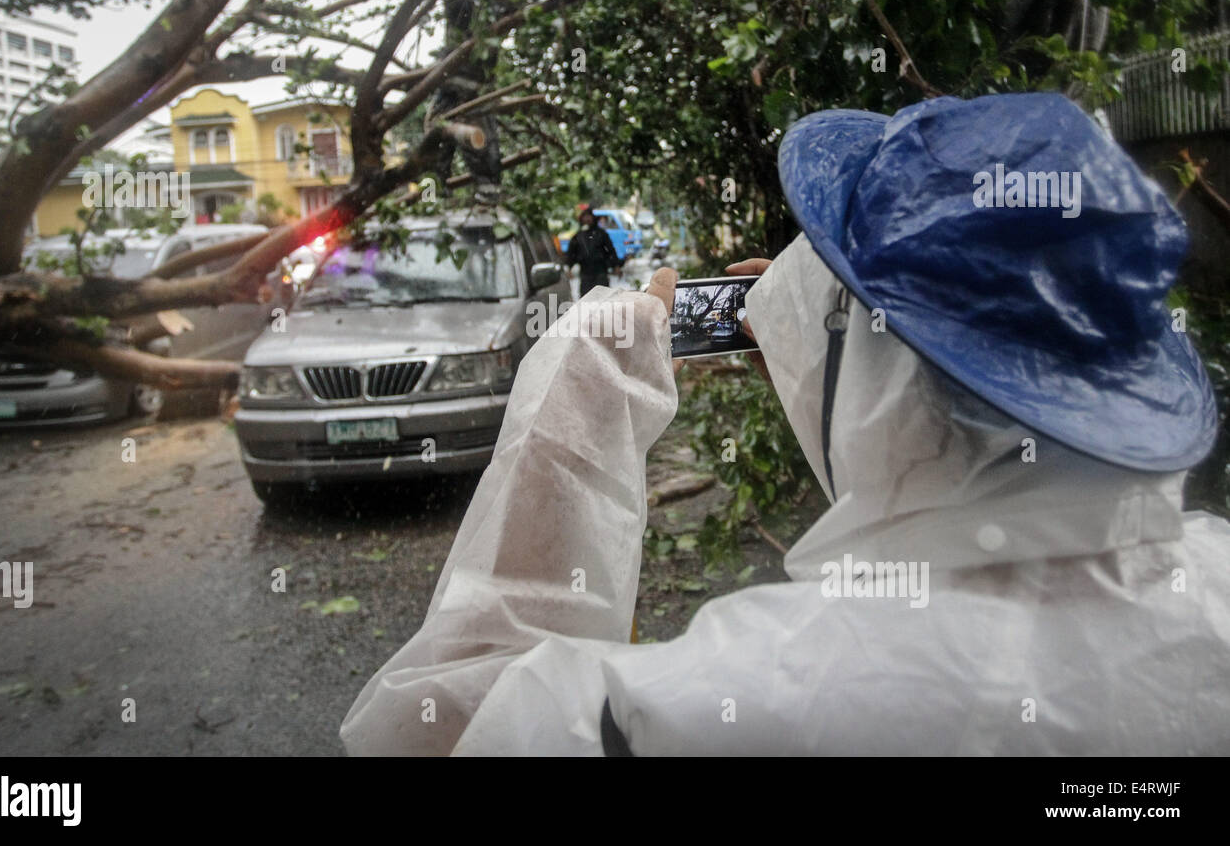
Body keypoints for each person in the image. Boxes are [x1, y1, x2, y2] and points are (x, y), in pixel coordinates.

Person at [340, 93, 1229, 755]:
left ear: (879, 376)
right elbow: (957, 491)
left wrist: (578, 399)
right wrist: (828, 375)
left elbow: (453, 728)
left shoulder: (745, 702)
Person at [564, 205, 621, 296]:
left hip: (601, 272)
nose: (587, 219)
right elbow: (571, 254)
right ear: (581, 219)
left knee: (603, 299)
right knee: (586, 302)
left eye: (588, 216)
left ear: (593, 218)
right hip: (585, 274)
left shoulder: (602, 234)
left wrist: (616, 266)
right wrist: (568, 267)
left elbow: (611, 250)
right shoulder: (578, 236)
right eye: (584, 216)